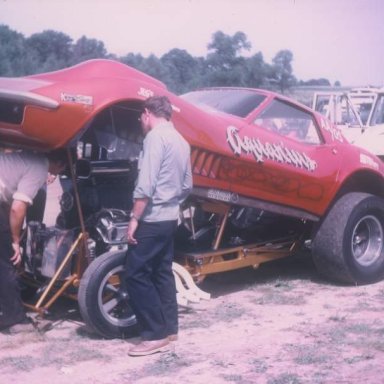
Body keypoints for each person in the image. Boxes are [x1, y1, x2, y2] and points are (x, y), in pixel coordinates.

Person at [125, 96, 192, 356]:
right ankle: (170, 329)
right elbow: (187, 184)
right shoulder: (181, 140)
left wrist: (134, 219)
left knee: (135, 273)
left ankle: (154, 334)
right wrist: (171, 201)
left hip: (151, 218)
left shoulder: (154, 138)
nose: (140, 122)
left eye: (140, 118)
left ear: (146, 113)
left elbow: (145, 185)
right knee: (161, 272)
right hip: (170, 217)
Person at [0, 148, 67, 332]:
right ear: (59, 164)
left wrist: (12, 230)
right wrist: (14, 241)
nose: (60, 172)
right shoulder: (40, 168)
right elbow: (17, 207)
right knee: (6, 261)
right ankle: (14, 321)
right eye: (62, 169)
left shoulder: (28, 157)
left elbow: (7, 202)